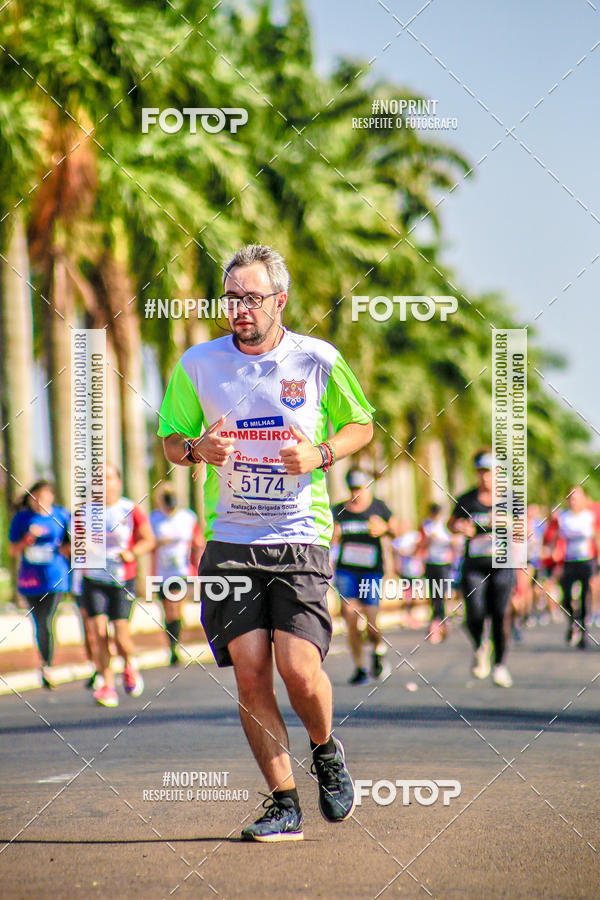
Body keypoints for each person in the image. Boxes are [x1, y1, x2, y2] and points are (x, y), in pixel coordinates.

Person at [159, 243, 374, 842]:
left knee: (298, 670)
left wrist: (322, 452)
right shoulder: (199, 363)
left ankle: (325, 748)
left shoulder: (317, 359)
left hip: (300, 537)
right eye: (231, 298)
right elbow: (172, 441)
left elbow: (361, 424)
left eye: (251, 298)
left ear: (280, 300)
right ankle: (284, 803)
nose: (240, 309)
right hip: (229, 539)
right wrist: (196, 449)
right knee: (251, 674)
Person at [81, 464, 156, 707]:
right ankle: (107, 686)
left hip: (122, 579)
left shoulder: (129, 509)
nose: (103, 483)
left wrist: (132, 553)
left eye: (108, 478)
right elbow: (73, 545)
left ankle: (129, 664)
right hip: (94, 579)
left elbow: (149, 540)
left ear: (118, 483)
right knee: (99, 633)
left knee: (121, 636)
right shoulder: (84, 512)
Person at [448, 450, 516, 688]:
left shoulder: (509, 498)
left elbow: (525, 528)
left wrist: (507, 522)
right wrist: (459, 528)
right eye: (480, 472)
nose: (484, 477)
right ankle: (479, 645)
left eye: (488, 472)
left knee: (500, 614)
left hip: (502, 564)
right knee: (474, 611)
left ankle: (500, 665)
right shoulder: (466, 500)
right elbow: (451, 524)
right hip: (474, 565)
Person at [332, 468, 399, 685]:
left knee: (371, 621)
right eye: (352, 488)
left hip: (371, 570)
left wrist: (384, 528)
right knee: (349, 615)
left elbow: (397, 530)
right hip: (347, 570)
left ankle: (378, 650)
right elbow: (329, 536)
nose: (356, 493)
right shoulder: (339, 510)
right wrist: (333, 535)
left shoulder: (379, 507)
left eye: (359, 488)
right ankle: (360, 667)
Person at [8, 480, 70, 689]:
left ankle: (47, 665)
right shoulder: (22, 518)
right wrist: (28, 539)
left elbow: (74, 543)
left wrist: (65, 550)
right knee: (38, 622)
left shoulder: (62, 516)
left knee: (47, 620)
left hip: (55, 577)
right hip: (31, 579)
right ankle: (45, 662)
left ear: (51, 497)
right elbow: (12, 550)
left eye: (43, 496)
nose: (39, 501)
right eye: (35, 497)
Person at [150, 483, 203, 665]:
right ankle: (171, 644)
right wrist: (160, 542)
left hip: (181, 570)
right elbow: (148, 541)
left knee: (175, 606)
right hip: (161, 571)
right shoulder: (154, 518)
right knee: (167, 610)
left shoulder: (187, 517)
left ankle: (175, 646)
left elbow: (198, 541)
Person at [547, 486, 600, 649]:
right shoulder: (563, 517)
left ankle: (583, 631)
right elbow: (554, 539)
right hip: (568, 561)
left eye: (577, 498)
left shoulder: (589, 516)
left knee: (584, 596)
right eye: (571, 498)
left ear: (583, 499)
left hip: (586, 560)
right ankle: (572, 622)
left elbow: (596, 537)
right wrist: (553, 554)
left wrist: (598, 559)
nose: (574, 501)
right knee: (566, 598)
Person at [418, 503, 454, 644]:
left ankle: (442, 620)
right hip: (431, 562)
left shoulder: (445, 525)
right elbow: (420, 542)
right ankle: (435, 620)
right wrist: (428, 541)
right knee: (434, 594)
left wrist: (442, 540)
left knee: (442, 593)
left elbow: (453, 540)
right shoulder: (426, 525)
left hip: (444, 562)